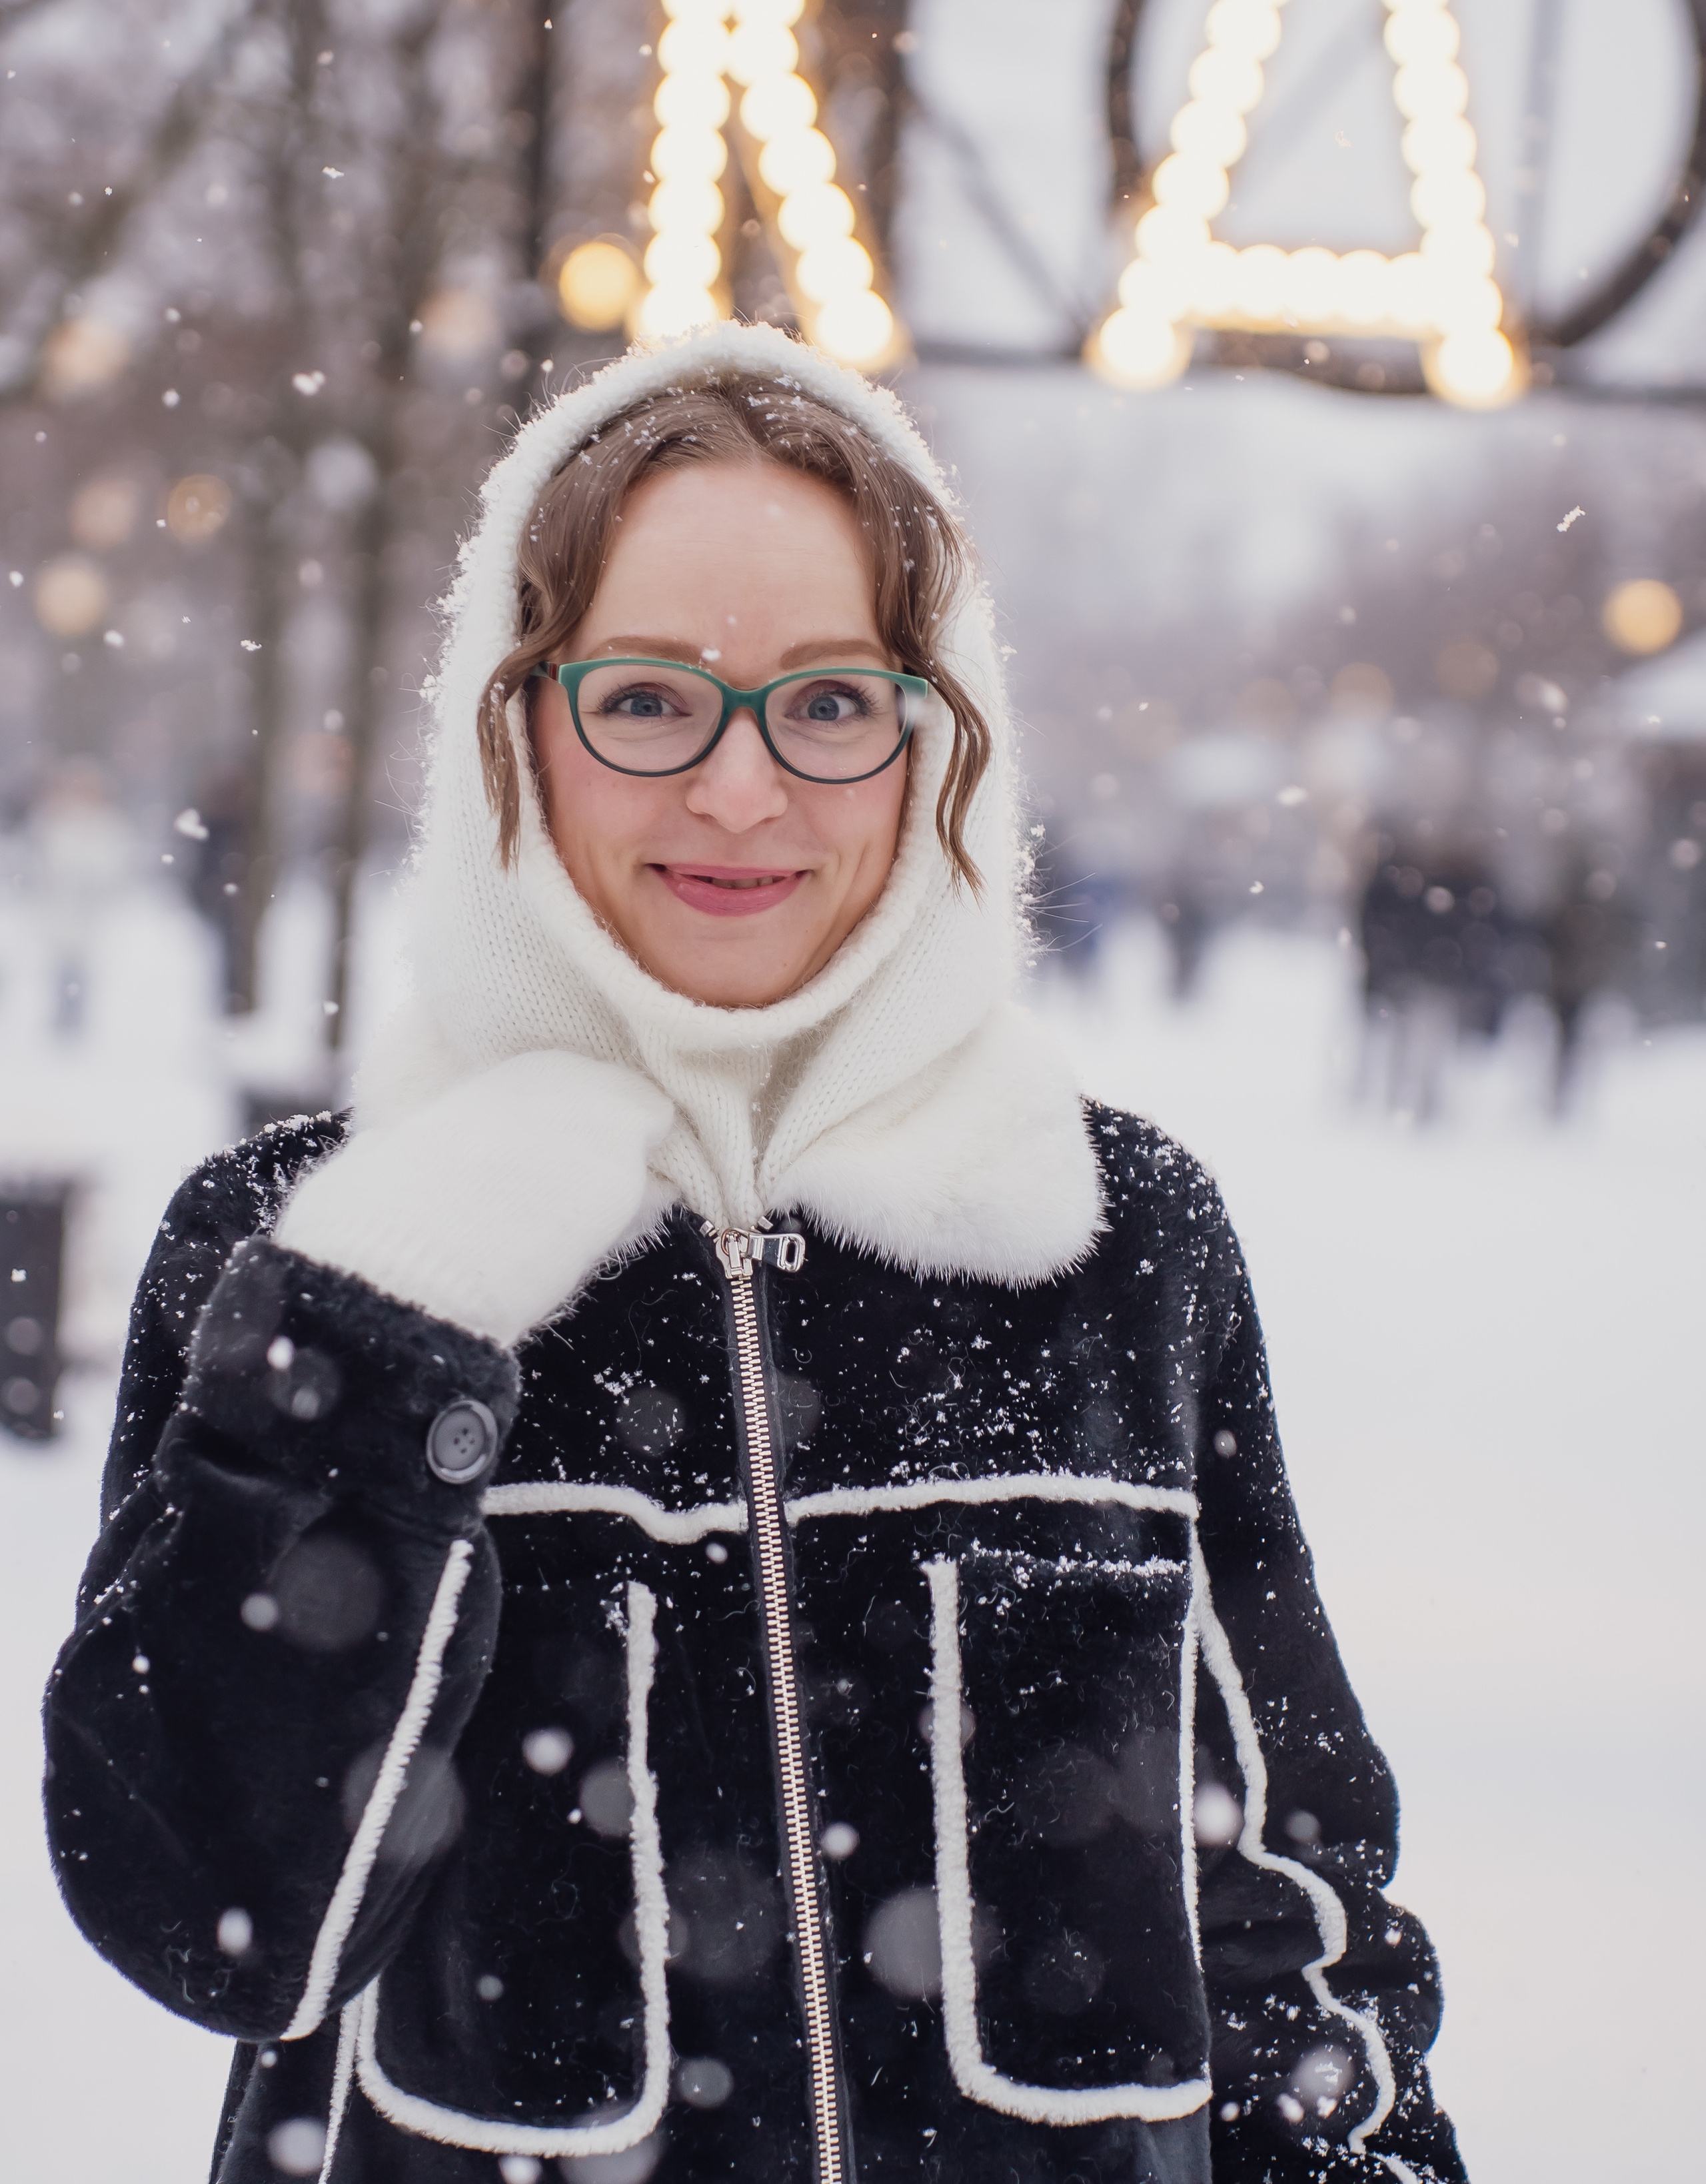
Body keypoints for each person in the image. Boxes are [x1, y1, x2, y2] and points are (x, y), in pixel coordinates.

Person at [43, 324, 1465, 2184]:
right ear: (514, 726)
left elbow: (1284, 1913)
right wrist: (390, 1335)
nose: (738, 791)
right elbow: (214, 1923)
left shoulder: (1118, 1242)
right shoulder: (297, 1250)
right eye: (646, 701)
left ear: (932, 741)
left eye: (827, 701)